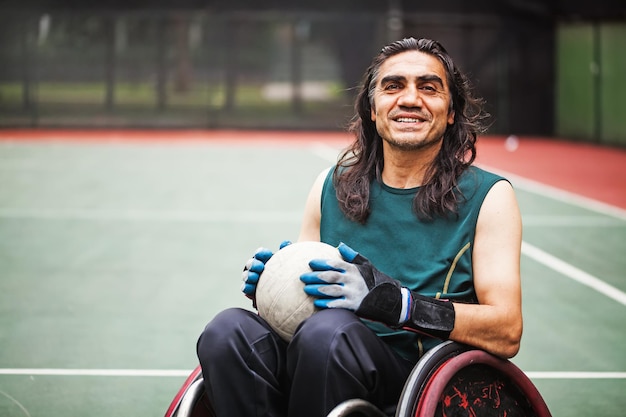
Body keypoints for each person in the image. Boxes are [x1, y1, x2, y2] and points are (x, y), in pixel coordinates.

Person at [196, 37, 523, 417]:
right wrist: (274, 290)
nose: (411, 99)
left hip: (416, 379)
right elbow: (304, 310)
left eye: (429, 88)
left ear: (451, 111)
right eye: (393, 86)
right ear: (372, 108)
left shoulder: (488, 196)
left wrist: (401, 305)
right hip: (318, 359)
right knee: (228, 332)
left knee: (329, 333)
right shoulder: (330, 185)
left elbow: (506, 328)